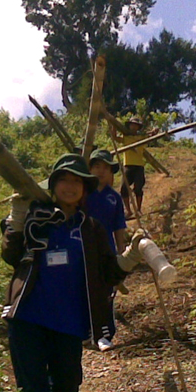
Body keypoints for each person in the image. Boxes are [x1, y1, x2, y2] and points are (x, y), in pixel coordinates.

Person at [1, 153, 143, 392]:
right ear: (53, 185)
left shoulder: (90, 228)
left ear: (84, 190)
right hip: (29, 317)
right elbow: (11, 255)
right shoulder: (37, 218)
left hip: (69, 321)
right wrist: (17, 216)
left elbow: (109, 271)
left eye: (77, 182)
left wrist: (131, 257)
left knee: (67, 385)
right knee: (33, 387)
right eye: (64, 180)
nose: (70, 186)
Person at [86, 149, 131, 351]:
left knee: (106, 292)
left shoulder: (114, 198)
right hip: (83, 248)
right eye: (96, 166)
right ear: (89, 169)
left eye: (105, 168)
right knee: (83, 290)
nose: (100, 171)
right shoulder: (82, 193)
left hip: (107, 251)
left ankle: (104, 335)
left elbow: (118, 226)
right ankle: (86, 333)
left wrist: (121, 251)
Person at [119, 116, 150, 218]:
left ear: (138, 127)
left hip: (138, 166)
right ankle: (128, 211)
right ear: (129, 125)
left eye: (136, 125)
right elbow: (115, 137)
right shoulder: (125, 138)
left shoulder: (141, 138)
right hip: (127, 165)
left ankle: (139, 209)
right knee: (124, 189)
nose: (134, 127)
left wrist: (154, 132)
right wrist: (113, 127)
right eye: (132, 125)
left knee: (138, 188)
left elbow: (150, 137)